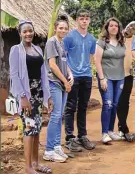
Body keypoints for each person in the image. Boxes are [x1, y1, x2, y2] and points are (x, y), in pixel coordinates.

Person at [10, 20, 54, 174]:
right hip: (26, 95)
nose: (28, 34)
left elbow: (43, 74)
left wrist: (47, 97)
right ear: (20, 34)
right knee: (29, 128)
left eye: (30, 31)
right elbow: (14, 75)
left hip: (38, 94)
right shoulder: (16, 50)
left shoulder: (37, 49)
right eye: (25, 31)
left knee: (36, 129)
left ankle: (35, 163)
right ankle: (28, 167)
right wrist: (22, 97)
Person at [63, 9, 96, 151]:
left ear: (89, 20)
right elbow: (63, 57)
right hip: (73, 76)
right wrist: (69, 74)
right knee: (70, 107)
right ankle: (70, 138)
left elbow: (90, 56)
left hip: (87, 76)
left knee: (83, 106)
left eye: (86, 18)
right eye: (81, 18)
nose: (84, 20)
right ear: (77, 20)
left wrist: (90, 71)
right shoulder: (69, 37)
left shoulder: (92, 39)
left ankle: (82, 135)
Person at [43, 15, 74, 163]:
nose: (63, 30)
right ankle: (48, 150)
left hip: (63, 83)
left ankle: (56, 146)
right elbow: (52, 65)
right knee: (55, 116)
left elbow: (63, 62)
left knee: (59, 115)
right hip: (55, 82)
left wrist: (70, 74)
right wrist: (65, 81)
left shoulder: (61, 43)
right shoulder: (51, 42)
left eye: (65, 28)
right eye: (60, 28)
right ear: (55, 28)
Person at [95, 17, 126, 144]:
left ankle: (111, 131)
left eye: (116, 26)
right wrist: (102, 78)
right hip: (106, 77)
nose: (114, 27)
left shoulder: (121, 42)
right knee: (107, 104)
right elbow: (96, 61)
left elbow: (123, 60)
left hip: (119, 78)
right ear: (107, 28)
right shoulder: (102, 42)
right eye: (111, 25)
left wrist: (124, 78)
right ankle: (104, 133)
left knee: (115, 105)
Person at [117, 21, 135, 142]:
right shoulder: (116, 36)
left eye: (134, 28)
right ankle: (116, 130)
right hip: (115, 75)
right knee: (115, 103)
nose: (131, 28)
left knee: (124, 103)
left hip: (128, 75)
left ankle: (122, 128)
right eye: (130, 25)